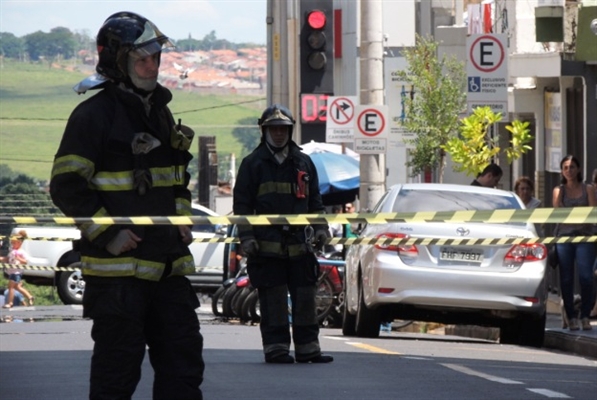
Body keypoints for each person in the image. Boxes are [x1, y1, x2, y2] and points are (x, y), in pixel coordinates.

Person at [49, 12, 204, 399]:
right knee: (116, 376)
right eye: (142, 59)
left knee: (184, 369)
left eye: (155, 58)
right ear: (118, 61)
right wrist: (109, 233)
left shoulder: (160, 112)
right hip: (118, 278)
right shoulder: (93, 116)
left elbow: (176, 178)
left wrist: (182, 217)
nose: (152, 66)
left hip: (168, 267)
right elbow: (66, 186)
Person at [233, 104, 333, 364]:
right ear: (264, 131)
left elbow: (315, 203)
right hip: (267, 249)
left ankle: (308, 349)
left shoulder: (303, 162)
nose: (279, 134)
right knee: (274, 301)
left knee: (306, 299)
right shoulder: (252, 164)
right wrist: (247, 238)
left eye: (283, 129)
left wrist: (321, 229)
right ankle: (276, 348)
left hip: (300, 247)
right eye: (274, 129)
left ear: (290, 131)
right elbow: (242, 207)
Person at [552, 155, 596, 331]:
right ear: (562, 171)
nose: (569, 170)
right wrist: (577, 214)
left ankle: (585, 315)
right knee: (567, 278)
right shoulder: (559, 190)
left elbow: (592, 213)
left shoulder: (589, 189)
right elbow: (558, 214)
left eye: (572, 167)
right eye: (565, 167)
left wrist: (571, 215)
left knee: (586, 276)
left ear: (578, 169)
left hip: (585, 237)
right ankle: (571, 316)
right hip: (564, 238)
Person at [2, 230, 34, 309]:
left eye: (14, 243)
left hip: (16, 272)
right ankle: (30, 297)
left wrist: (19, 258)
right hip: (12, 271)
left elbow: (25, 261)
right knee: (17, 287)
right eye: (12, 243)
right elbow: (7, 259)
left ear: (19, 243)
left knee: (11, 287)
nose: (12, 244)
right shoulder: (12, 251)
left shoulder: (21, 252)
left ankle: (10, 303)